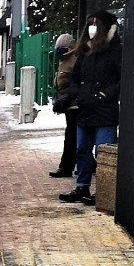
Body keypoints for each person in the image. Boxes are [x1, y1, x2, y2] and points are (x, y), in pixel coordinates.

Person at [60, 11, 121, 204]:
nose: (92, 28)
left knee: (102, 152)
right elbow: (75, 77)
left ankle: (103, 192)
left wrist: (106, 93)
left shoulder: (115, 51)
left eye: (96, 24)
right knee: (82, 150)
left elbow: (122, 78)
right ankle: (82, 187)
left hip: (104, 109)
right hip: (85, 108)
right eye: (90, 24)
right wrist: (79, 93)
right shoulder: (84, 51)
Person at [49, 33, 78, 179]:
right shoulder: (65, 60)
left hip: (74, 105)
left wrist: (69, 96)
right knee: (74, 136)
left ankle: (66, 167)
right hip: (68, 104)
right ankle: (88, 164)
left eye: (62, 48)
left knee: (72, 136)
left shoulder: (75, 60)